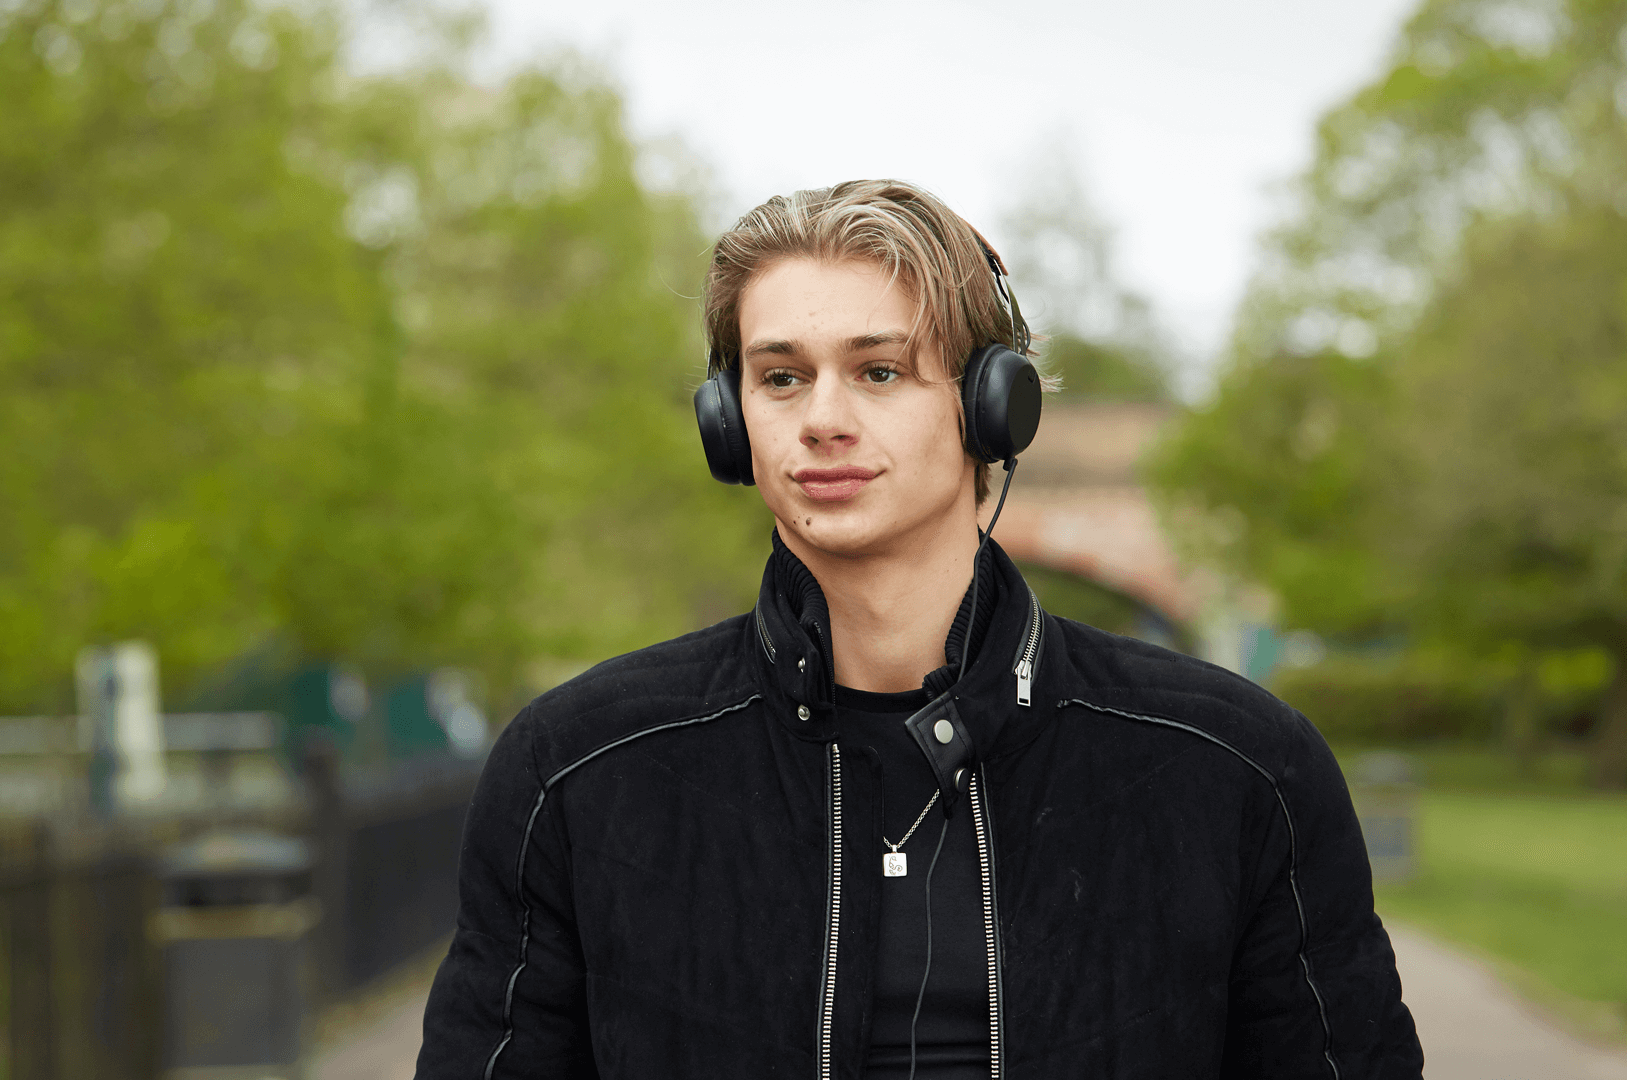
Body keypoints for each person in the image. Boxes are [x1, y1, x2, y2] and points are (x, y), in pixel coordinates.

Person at [416, 180, 1422, 1078]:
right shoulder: (577, 770)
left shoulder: (1238, 769)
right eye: (780, 376)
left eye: (879, 372)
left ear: (993, 410)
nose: (823, 418)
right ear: (729, 424)